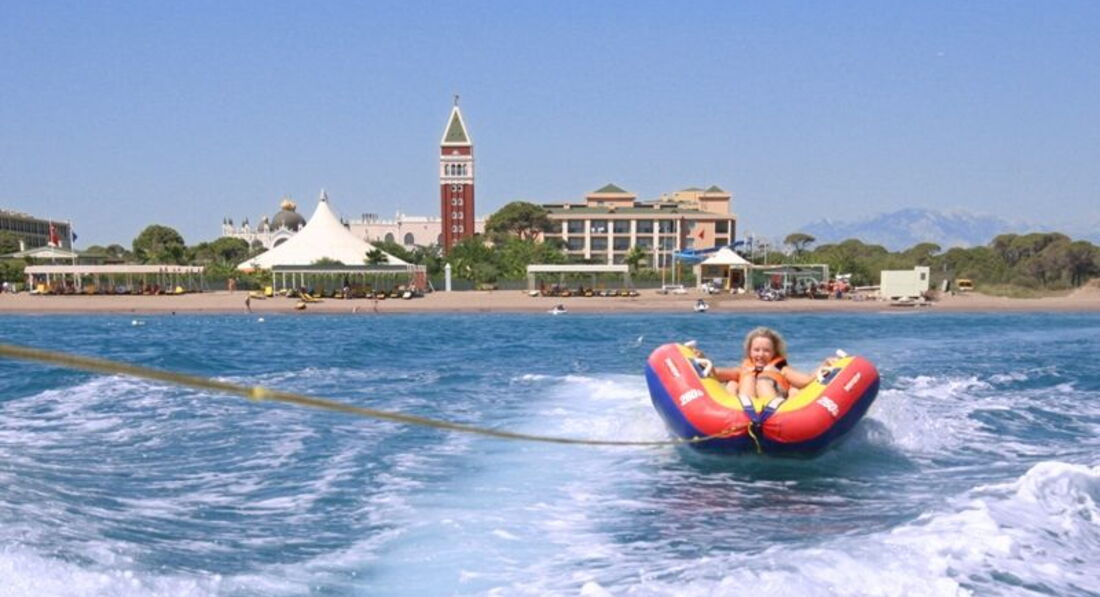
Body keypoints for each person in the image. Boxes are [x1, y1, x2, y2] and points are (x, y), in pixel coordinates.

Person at [713, 327, 836, 401]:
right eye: (756, 350)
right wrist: (702, 361)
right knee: (734, 383)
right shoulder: (744, 368)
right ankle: (743, 412)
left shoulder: (780, 368)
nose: (761, 354)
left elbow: (805, 381)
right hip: (745, 411)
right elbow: (716, 373)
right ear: (749, 351)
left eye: (766, 351)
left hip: (774, 408)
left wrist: (825, 364)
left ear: (774, 352)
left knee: (763, 382)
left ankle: (772, 413)